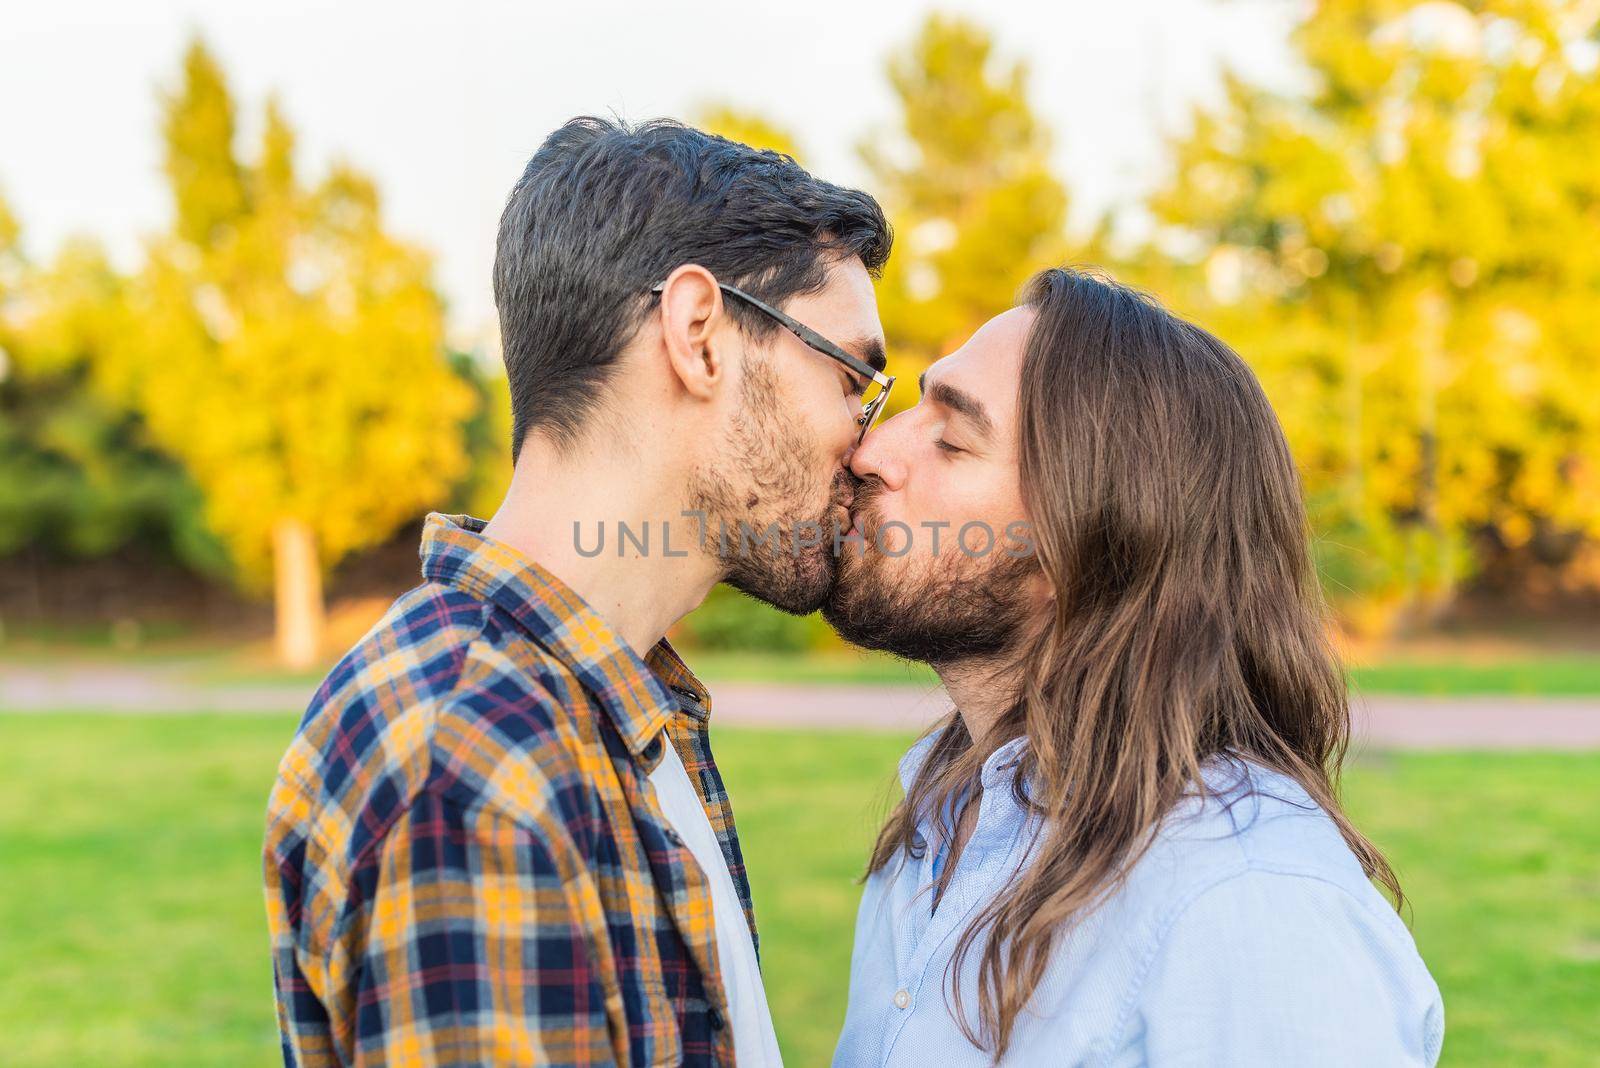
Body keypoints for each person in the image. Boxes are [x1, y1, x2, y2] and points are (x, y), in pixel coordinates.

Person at [263, 116, 892, 1067]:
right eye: (854, 377)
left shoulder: (616, 711)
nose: (870, 442)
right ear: (699, 337)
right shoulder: (480, 768)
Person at [825, 267, 1445, 1066]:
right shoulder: (944, 820)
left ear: (1089, 544)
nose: (873, 450)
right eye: (915, 406)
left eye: (950, 438)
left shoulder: (1251, 903)